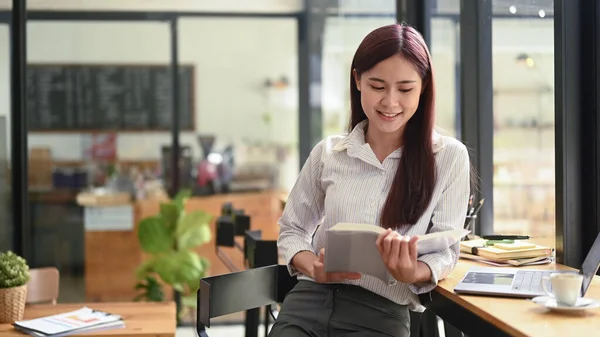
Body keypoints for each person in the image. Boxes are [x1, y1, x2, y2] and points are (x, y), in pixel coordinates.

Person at [269, 23, 471, 337]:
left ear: (424, 87)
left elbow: (447, 248)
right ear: (358, 80)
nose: (390, 102)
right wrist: (312, 267)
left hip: (381, 313)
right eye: (377, 86)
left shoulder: (448, 157)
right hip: (307, 303)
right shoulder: (329, 152)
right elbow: (293, 228)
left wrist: (414, 271)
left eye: (405, 89)